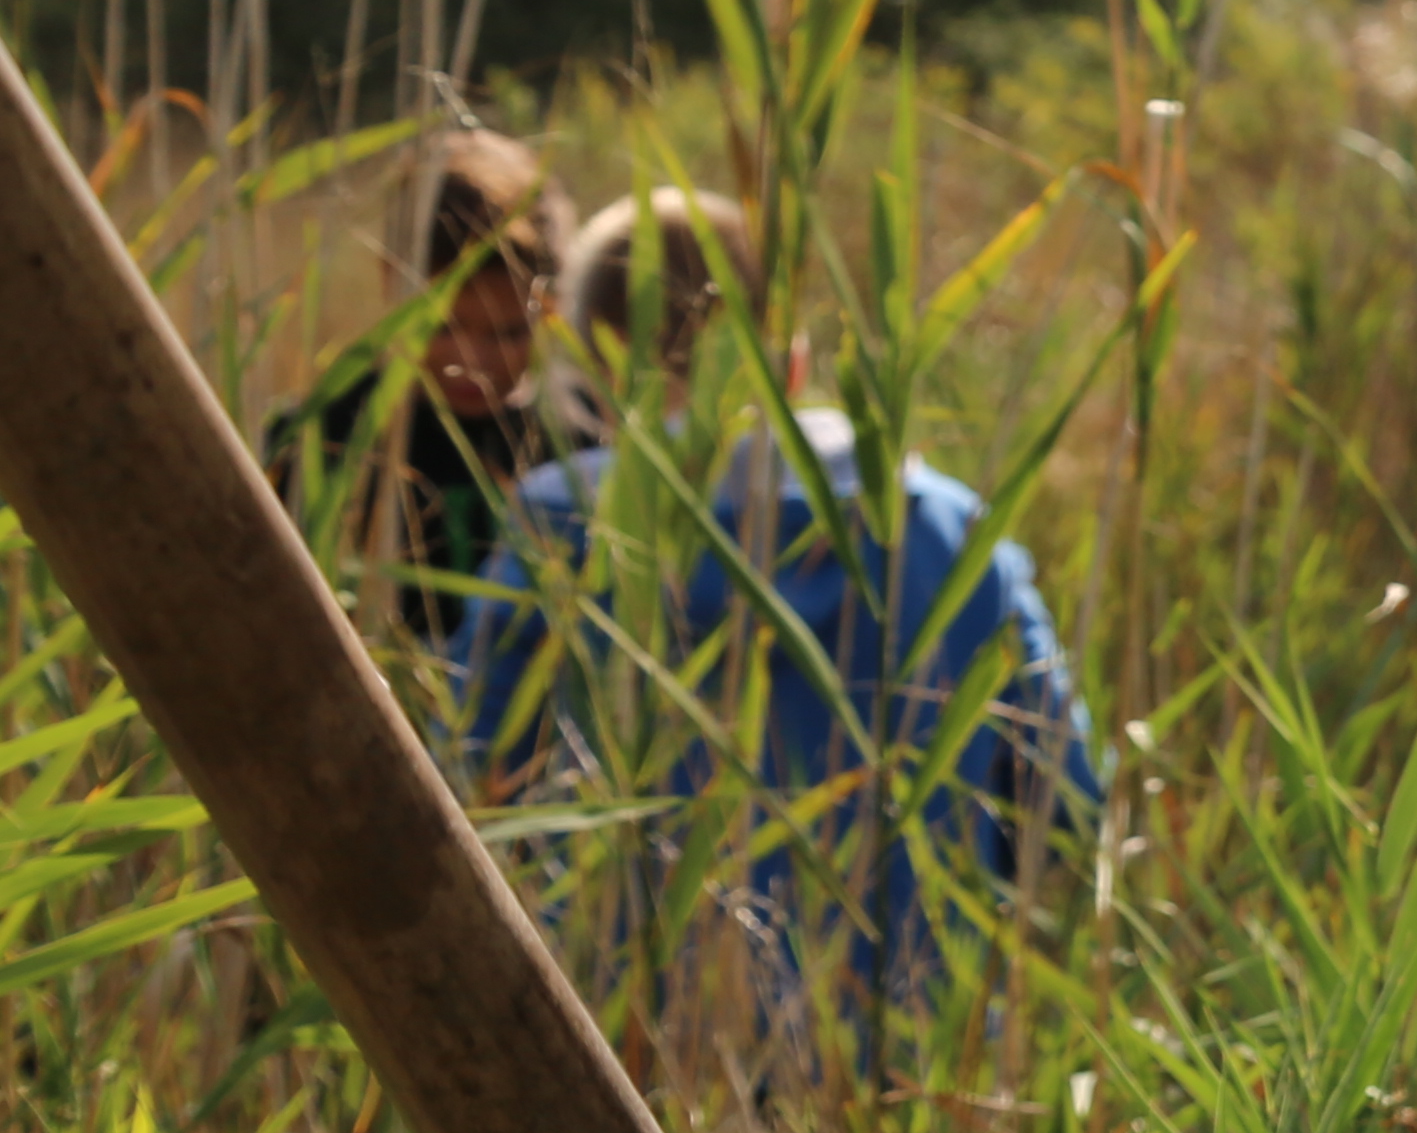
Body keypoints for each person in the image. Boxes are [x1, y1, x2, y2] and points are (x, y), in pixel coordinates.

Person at [449, 189, 1096, 1015]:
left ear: (595, 366)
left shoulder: (568, 522)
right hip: (911, 1057)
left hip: (629, 1041)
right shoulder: (946, 527)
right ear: (790, 359)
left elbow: (473, 769)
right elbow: (1068, 804)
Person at [266, 127, 561, 597]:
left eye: (508, 333)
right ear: (391, 283)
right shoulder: (318, 440)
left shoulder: (576, 446)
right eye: (441, 327)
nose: (471, 361)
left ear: (552, 305)